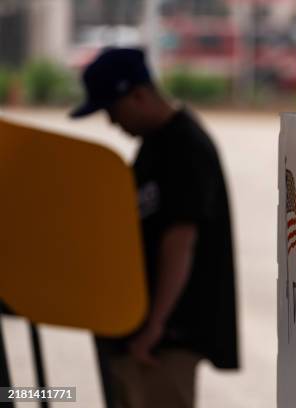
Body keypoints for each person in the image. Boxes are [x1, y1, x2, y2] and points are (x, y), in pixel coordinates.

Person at [70, 48, 239, 408]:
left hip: (164, 342)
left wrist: (154, 327)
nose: (113, 124)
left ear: (139, 95)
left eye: (113, 111)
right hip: (147, 334)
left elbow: (180, 241)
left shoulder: (184, 148)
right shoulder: (157, 145)